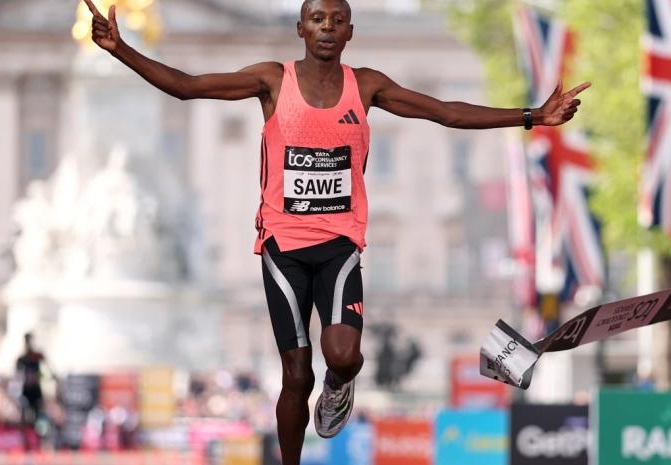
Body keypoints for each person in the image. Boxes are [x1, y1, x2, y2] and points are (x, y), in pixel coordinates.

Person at [81, 0, 589, 463]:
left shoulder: (365, 85)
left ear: (350, 31)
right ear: (301, 28)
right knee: (294, 375)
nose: (327, 28)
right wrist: (120, 49)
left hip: (340, 243)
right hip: (283, 246)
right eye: (317, 19)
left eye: (337, 20)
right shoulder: (271, 80)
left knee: (343, 355)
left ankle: (340, 386)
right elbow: (188, 86)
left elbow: (446, 112)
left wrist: (532, 117)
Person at [15, 333, 51, 437]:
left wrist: (46, 378)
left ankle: (40, 438)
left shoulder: (37, 356)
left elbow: (49, 369)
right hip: (26, 391)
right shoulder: (22, 358)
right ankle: (26, 438)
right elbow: (17, 375)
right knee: (24, 415)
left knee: (39, 414)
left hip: (36, 390)